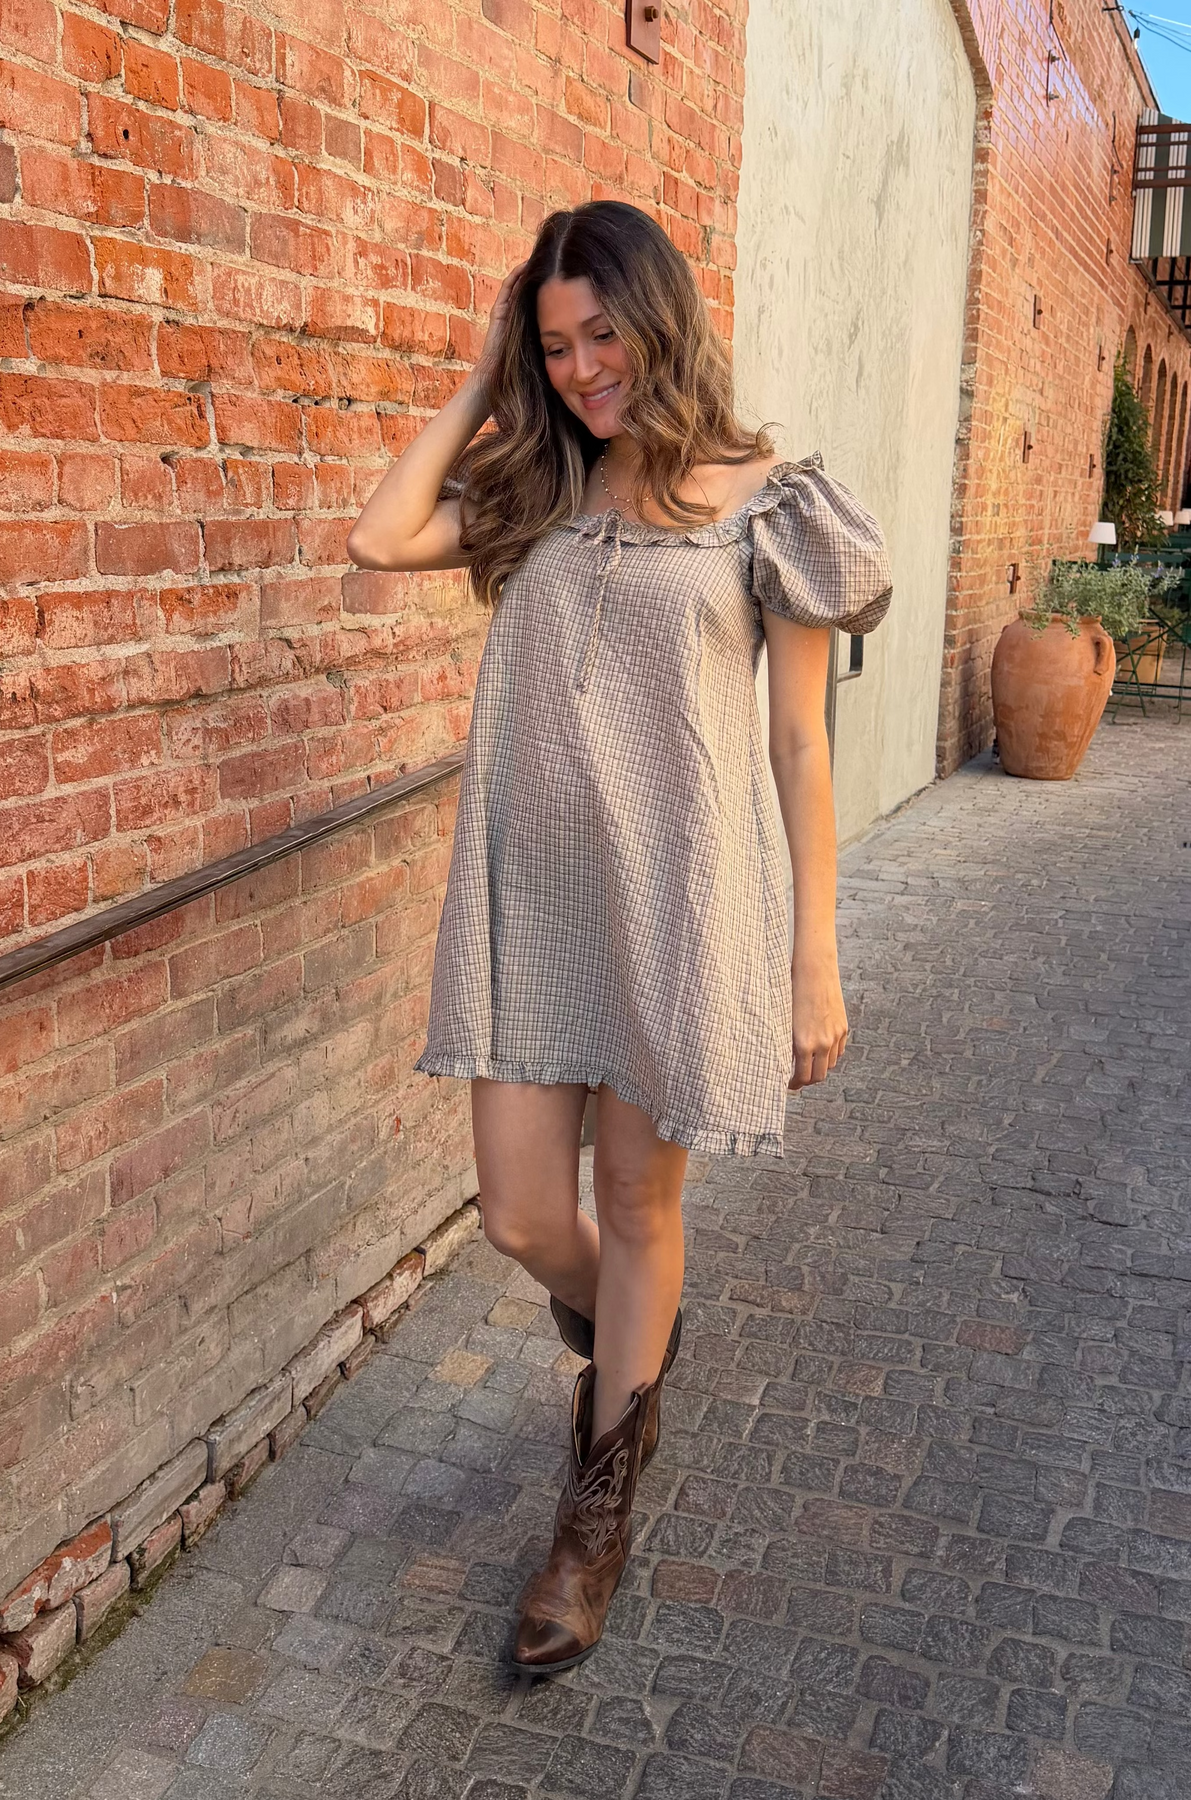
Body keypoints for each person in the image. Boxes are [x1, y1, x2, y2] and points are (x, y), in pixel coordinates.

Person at [347, 199, 892, 1674]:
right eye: (556, 345)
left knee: (644, 1209)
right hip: (533, 902)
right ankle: (632, 1352)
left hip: (683, 908)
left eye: (602, 334)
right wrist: (484, 375)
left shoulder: (770, 504)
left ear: (663, 316)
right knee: (525, 1217)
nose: (584, 370)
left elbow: (797, 743)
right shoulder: (539, 492)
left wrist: (814, 956)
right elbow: (379, 532)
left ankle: (594, 1511)